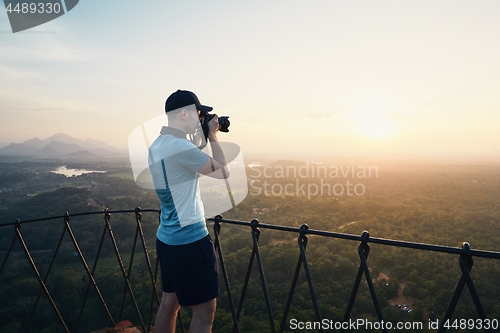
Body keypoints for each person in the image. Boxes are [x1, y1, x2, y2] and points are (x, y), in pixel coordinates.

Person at [148, 90, 230, 333]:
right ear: (184, 113)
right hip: (190, 240)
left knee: (169, 303)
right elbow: (222, 171)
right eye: (197, 112)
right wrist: (213, 137)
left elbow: (187, 153)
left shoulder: (158, 145)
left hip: (167, 238)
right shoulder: (180, 148)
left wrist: (202, 134)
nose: (199, 117)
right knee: (204, 311)